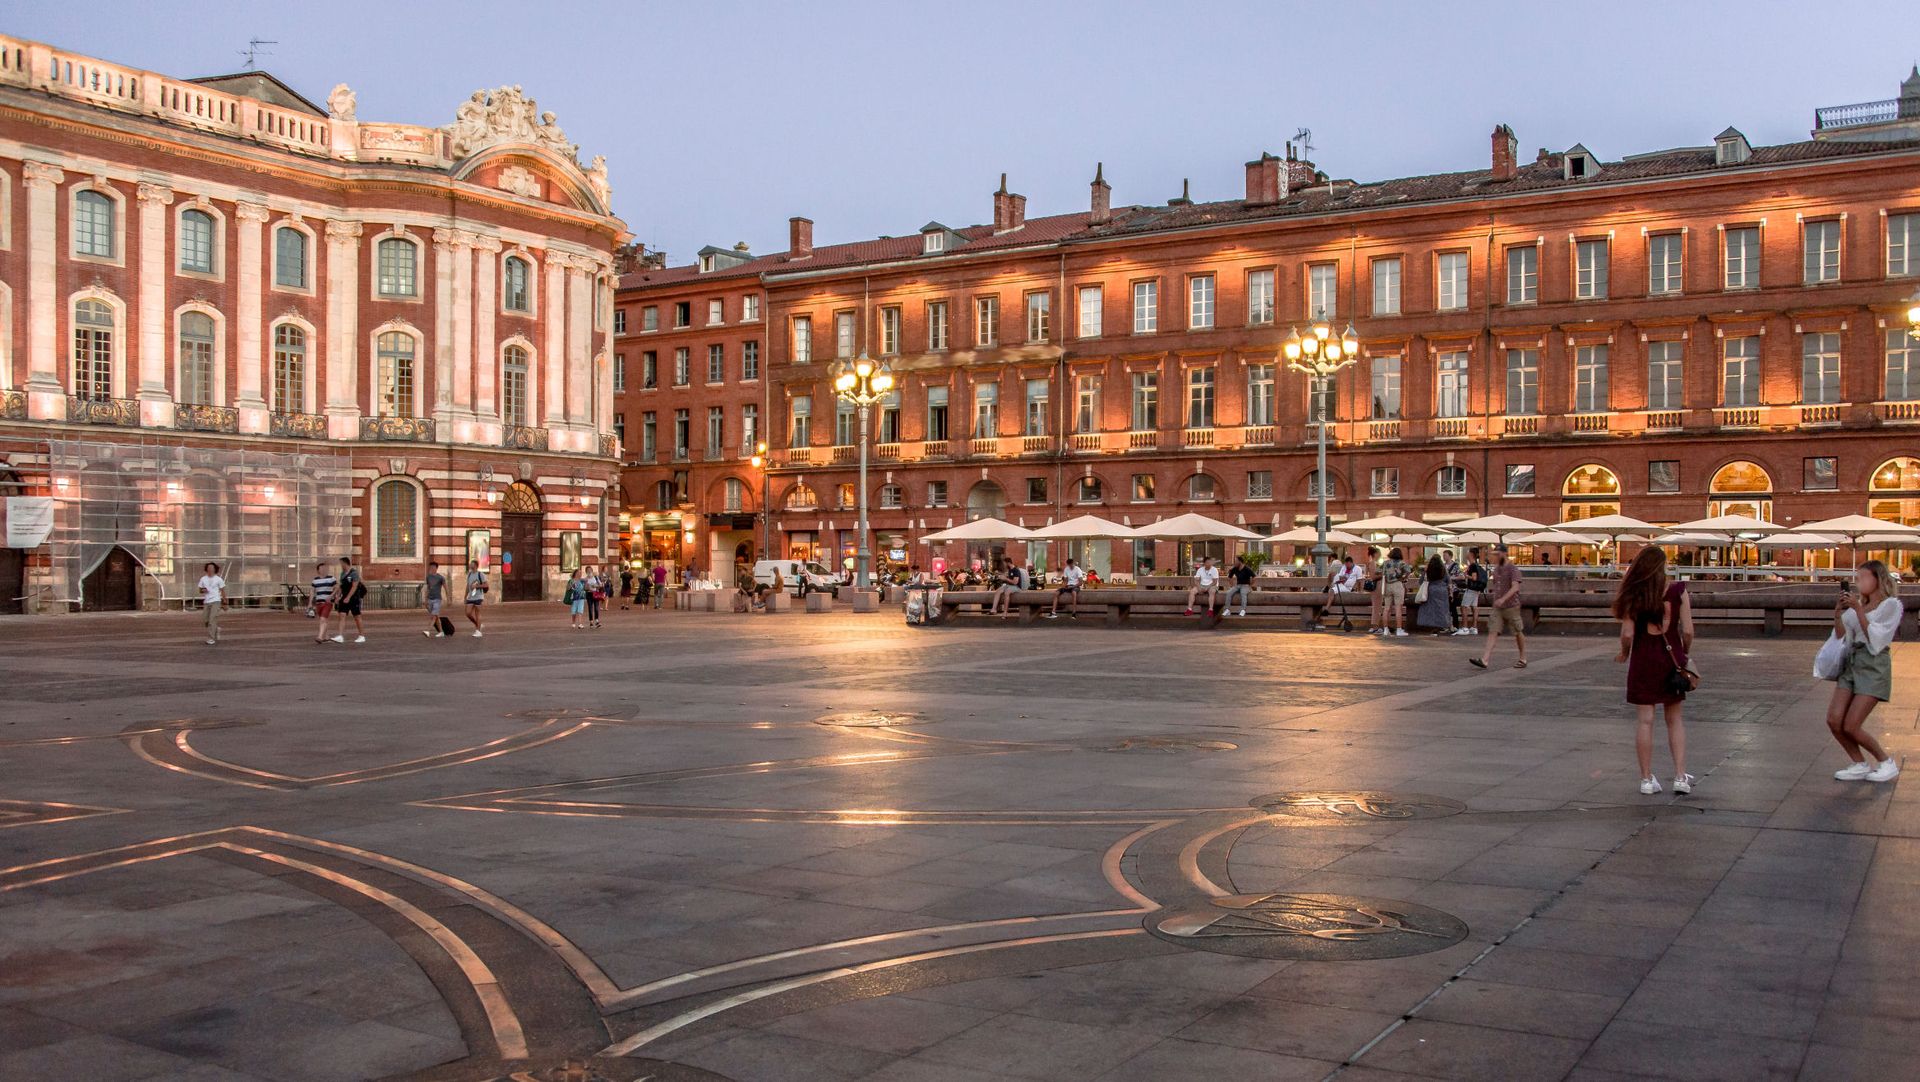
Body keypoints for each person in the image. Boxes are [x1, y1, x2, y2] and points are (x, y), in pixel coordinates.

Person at [1612, 546, 1694, 795]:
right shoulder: (1678, 591)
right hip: (1671, 660)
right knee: (1675, 719)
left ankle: (1646, 779)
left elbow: (1627, 633)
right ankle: (1680, 776)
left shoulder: (1635, 593)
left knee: (1645, 721)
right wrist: (1684, 652)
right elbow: (1688, 631)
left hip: (1644, 659)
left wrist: (1625, 652)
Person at [1824, 559, 1902, 783]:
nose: (1859, 583)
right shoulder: (1857, 605)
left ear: (1878, 579)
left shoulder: (1891, 605)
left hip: (1873, 664)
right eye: (1857, 578)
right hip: (1852, 661)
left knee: (1851, 725)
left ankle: (1886, 762)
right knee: (1834, 719)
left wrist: (1858, 610)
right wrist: (1838, 615)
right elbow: (1841, 636)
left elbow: (1876, 638)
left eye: (1864, 577)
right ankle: (1859, 763)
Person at [1471, 546, 1526, 669]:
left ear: (1504, 554)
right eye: (1494, 554)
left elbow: (1515, 587)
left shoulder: (1513, 569)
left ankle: (1523, 658)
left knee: (1517, 631)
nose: (1495, 556)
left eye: (1497, 554)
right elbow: (1496, 586)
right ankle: (1485, 659)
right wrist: (1496, 598)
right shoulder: (1496, 570)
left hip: (1511, 606)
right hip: (1498, 607)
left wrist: (1503, 599)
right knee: (1493, 630)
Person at [330, 556, 367, 643]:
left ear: (345, 563)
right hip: (344, 597)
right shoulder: (343, 573)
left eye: (341, 563)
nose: (341, 565)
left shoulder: (354, 573)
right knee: (341, 615)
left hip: (354, 598)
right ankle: (340, 635)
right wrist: (338, 596)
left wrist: (348, 597)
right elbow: (341, 586)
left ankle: (361, 635)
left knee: (357, 616)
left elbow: (354, 586)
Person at [1414, 554, 1453, 635]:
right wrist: (1450, 592)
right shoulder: (1443, 569)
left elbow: (1421, 581)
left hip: (1431, 589)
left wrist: (1425, 571)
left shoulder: (1428, 569)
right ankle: (1442, 625)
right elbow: (1448, 580)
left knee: (1432, 609)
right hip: (1442, 590)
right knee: (1442, 609)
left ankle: (1433, 626)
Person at [1377, 547, 1410, 637]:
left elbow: (1377, 571)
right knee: (1398, 608)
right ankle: (1399, 629)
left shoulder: (1385, 563)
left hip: (1387, 586)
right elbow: (1408, 571)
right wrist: (1403, 577)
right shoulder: (1402, 563)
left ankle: (1386, 629)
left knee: (1386, 608)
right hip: (1397, 584)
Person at [1456, 547, 1488, 636]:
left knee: (1464, 607)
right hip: (1476, 589)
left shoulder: (1473, 565)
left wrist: (1466, 575)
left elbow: (1474, 578)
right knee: (1474, 607)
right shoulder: (1476, 565)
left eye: (1467, 552)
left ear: (1471, 554)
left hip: (1471, 588)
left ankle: (1465, 627)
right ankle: (1474, 627)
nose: (1466, 554)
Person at [197, 561, 225, 645]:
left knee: (212, 619)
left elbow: (222, 590)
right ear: (206, 569)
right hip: (207, 601)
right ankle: (216, 629)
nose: (210, 569)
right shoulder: (203, 579)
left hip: (216, 601)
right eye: (208, 568)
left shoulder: (218, 579)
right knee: (206, 620)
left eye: (212, 568)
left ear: (214, 569)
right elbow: (200, 590)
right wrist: (203, 590)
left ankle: (211, 638)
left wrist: (225, 602)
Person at [310, 562, 336, 644]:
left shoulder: (331, 578)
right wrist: (310, 603)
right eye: (322, 568)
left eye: (325, 568)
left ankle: (320, 637)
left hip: (327, 602)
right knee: (324, 620)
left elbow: (337, 587)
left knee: (322, 619)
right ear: (318, 570)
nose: (324, 570)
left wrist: (332, 595)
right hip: (318, 602)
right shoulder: (315, 580)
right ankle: (326, 636)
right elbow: (312, 591)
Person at [422, 561, 447, 637]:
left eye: (433, 567)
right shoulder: (428, 577)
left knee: (433, 616)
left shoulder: (440, 577)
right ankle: (441, 632)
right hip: (430, 599)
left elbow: (445, 587)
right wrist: (425, 599)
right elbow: (427, 589)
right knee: (436, 616)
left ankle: (428, 631)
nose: (431, 569)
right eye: (431, 567)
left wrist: (448, 597)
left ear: (436, 568)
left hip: (437, 599)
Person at [464, 560, 488, 638]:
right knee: (468, 613)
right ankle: (478, 624)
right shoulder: (469, 574)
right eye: (470, 563)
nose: (470, 565)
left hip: (478, 596)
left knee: (477, 613)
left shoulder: (481, 574)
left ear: (476, 565)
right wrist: (465, 596)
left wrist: (477, 586)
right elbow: (468, 586)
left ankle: (478, 631)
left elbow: (486, 585)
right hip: (471, 597)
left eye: (472, 564)